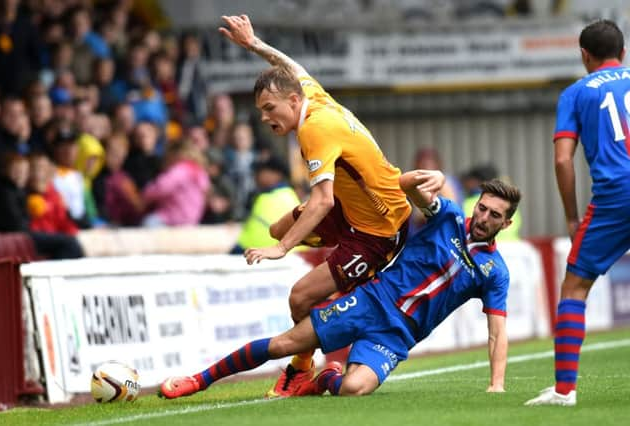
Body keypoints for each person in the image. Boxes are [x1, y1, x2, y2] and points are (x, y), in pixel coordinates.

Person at [157, 169, 520, 399]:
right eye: (483, 208)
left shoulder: (494, 271)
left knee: (353, 388)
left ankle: (322, 379)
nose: (483, 217)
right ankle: (198, 380)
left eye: (494, 215)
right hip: (371, 299)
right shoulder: (451, 217)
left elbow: (497, 331)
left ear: (505, 224)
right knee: (284, 343)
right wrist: (434, 176)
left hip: (398, 334)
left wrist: (497, 383)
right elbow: (406, 187)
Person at [218, 15, 412, 397]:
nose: (264, 117)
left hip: (379, 230)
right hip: (351, 208)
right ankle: (324, 341)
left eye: (269, 108)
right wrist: (254, 45)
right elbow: (293, 68)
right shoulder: (312, 97)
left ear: (293, 101)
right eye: (260, 110)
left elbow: (321, 200)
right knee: (277, 227)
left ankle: (303, 368)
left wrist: (283, 248)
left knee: (301, 295)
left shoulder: (314, 130)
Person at [524, 19, 630, 407]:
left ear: (584, 55)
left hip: (616, 197)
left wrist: (571, 215)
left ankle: (565, 390)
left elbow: (563, 160)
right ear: (623, 52)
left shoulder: (575, 93)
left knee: (574, 289)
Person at [230, 155, 301, 254]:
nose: (256, 176)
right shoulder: (288, 195)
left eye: (260, 172)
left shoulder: (267, 198)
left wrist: (234, 251)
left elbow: (252, 239)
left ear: (276, 174)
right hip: (290, 257)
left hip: (263, 256)